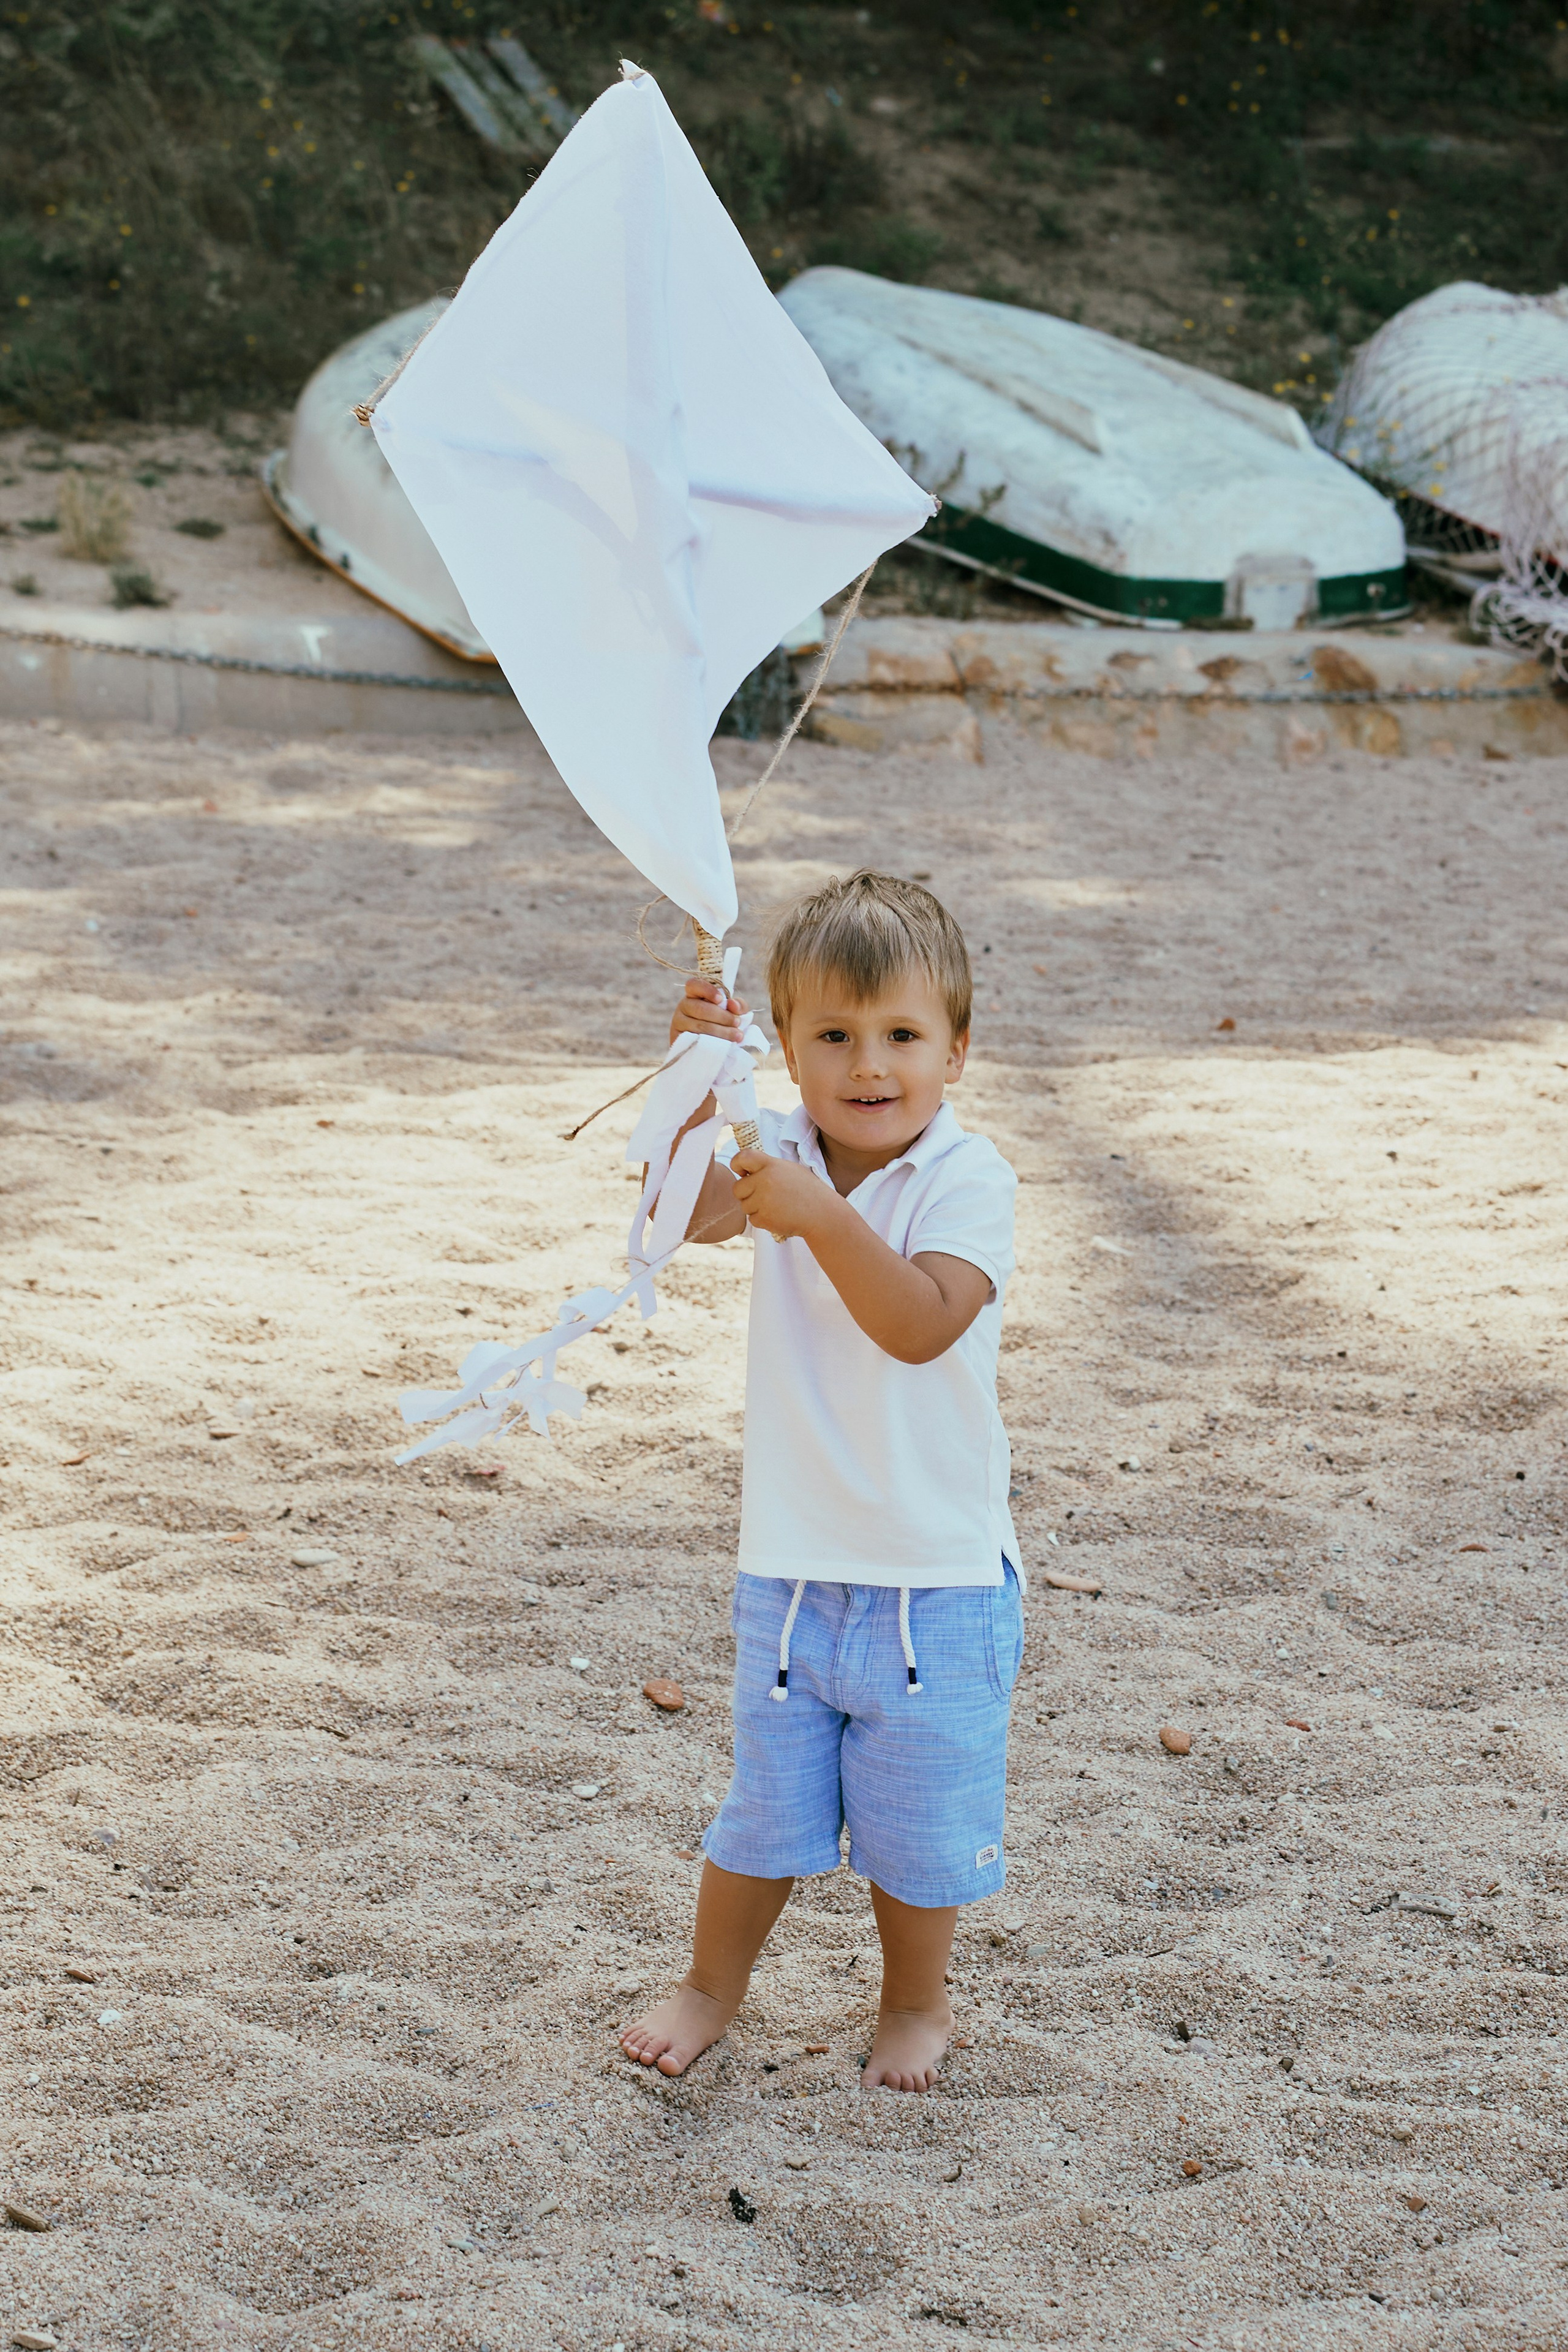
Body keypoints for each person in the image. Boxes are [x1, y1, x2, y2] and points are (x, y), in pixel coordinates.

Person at [618, 870, 1022, 2093]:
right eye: (833, 1037)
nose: (868, 1065)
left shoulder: (966, 1176)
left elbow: (918, 1323)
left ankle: (913, 2001)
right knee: (761, 1819)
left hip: (933, 1581)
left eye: (900, 1035)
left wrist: (817, 1220)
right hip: (792, 1572)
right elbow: (678, 1218)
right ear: (787, 1049)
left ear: (955, 1045)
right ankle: (707, 1986)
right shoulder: (777, 1146)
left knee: (915, 1834)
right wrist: (690, 1086)